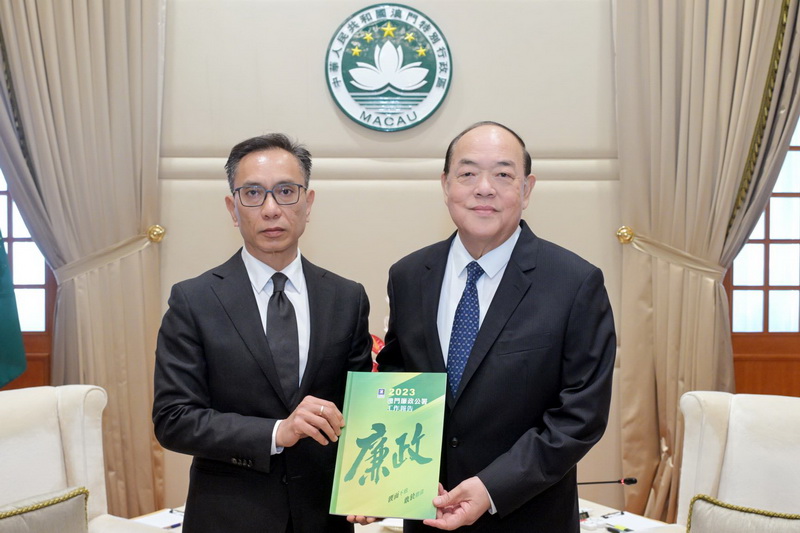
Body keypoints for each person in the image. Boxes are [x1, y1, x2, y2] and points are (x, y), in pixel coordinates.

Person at [374, 121, 616, 532]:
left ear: (527, 189)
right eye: (468, 173)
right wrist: (389, 482)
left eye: (503, 174)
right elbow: (400, 379)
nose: (484, 188)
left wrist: (491, 488)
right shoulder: (409, 275)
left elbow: (581, 415)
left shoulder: (575, 283)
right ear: (445, 184)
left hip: (528, 517)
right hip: (427, 513)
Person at [153, 133, 373, 533]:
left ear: (308, 203)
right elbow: (174, 419)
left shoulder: (347, 298)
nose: (271, 209)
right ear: (232, 209)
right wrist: (276, 432)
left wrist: (375, 489)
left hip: (323, 518)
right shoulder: (194, 301)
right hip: (228, 518)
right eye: (253, 193)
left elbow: (358, 412)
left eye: (286, 192)